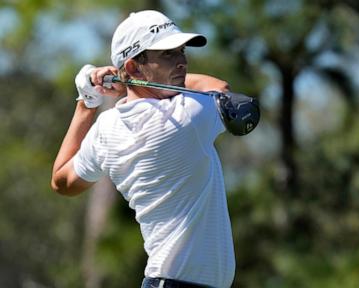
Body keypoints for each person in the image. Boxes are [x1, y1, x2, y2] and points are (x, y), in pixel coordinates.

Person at [51, 10, 236, 288]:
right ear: (135, 67)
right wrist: (126, 83)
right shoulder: (187, 115)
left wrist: (86, 101)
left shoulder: (106, 128)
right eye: (168, 54)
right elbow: (219, 87)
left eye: (181, 51)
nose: (182, 62)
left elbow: (62, 181)